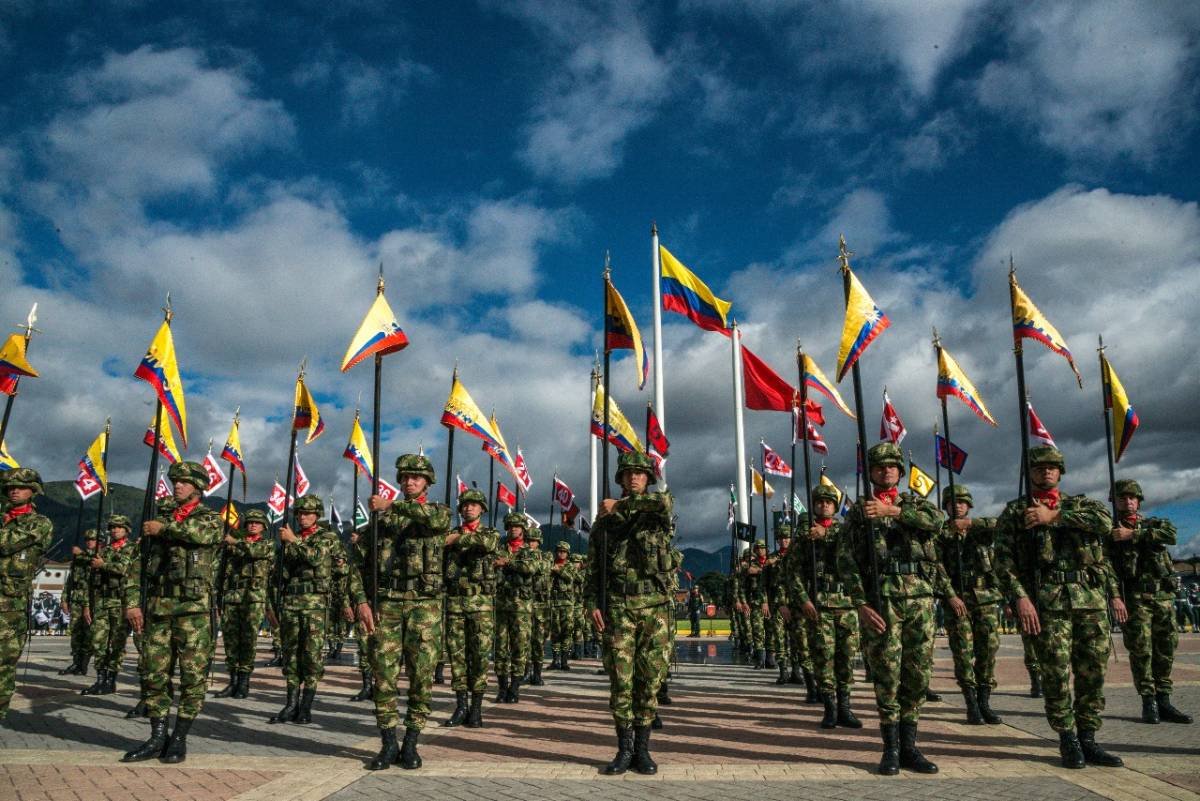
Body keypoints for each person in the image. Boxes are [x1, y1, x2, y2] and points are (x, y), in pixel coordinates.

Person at [994, 445, 1126, 769]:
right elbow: (1002, 563)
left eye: (1052, 467)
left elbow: (1103, 522)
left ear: (1060, 471)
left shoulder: (1082, 505)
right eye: (1039, 468)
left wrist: (1054, 516)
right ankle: (1067, 738)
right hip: (1049, 603)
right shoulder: (1015, 512)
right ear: (1030, 474)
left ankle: (1089, 737)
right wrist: (1020, 598)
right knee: (1054, 673)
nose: (1046, 472)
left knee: (1092, 672)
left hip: (1089, 601)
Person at [837, 442, 964, 776]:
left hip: (920, 600)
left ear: (900, 472)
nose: (887, 471)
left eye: (893, 466)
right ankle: (890, 748)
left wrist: (893, 512)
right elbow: (846, 562)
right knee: (887, 676)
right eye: (880, 467)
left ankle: (910, 747)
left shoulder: (916, 505)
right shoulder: (859, 513)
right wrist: (860, 603)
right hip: (883, 603)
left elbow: (937, 524)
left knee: (917, 675)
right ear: (872, 472)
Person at [122, 461, 223, 763]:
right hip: (158, 608)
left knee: (192, 676)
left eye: (184, 481)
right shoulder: (156, 520)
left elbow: (200, 535)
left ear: (198, 487)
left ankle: (179, 737)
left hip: (193, 612)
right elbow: (136, 565)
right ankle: (157, 736)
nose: (177, 485)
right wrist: (131, 602)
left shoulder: (209, 519)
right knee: (153, 673)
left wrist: (163, 528)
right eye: (174, 480)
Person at [587, 450, 674, 776]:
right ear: (621, 479)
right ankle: (624, 750)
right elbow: (593, 567)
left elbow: (664, 503)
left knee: (649, 683)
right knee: (621, 683)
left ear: (648, 479)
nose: (634, 477)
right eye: (628, 473)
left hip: (655, 608)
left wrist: (620, 505)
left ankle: (643, 750)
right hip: (620, 606)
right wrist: (592, 603)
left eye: (640, 473)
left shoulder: (656, 509)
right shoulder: (605, 521)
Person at [364, 453, 445, 771]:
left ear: (427, 482)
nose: (409, 481)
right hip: (388, 601)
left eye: (416, 477)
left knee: (421, 677)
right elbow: (365, 561)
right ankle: (388, 744)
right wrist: (360, 601)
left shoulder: (437, 512)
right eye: (405, 477)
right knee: (383, 676)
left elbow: (433, 521)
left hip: (424, 604)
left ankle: (411, 743)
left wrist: (389, 505)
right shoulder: (381, 518)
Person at [1110, 478, 1191, 725]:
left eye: (1132, 497)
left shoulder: (1155, 524)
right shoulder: (1111, 532)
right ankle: (1149, 702)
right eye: (1122, 498)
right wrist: (1115, 597)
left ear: (1139, 500)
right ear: (1116, 502)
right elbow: (1108, 569)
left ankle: (1164, 699)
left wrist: (1132, 534)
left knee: (1165, 648)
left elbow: (1171, 535)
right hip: (1135, 599)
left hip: (1162, 597)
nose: (1128, 501)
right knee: (1141, 651)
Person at [782, 484, 862, 729]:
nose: (824, 505)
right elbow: (792, 572)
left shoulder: (845, 530)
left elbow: (854, 549)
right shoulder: (804, 538)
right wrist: (804, 599)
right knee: (823, 657)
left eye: (829, 502)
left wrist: (824, 535)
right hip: (819, 605)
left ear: (835, 507)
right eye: (819, 502)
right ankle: (829, 707)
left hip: (846, 604)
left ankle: (845, 708)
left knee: (846, 657)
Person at [938, 485, 1003, 725]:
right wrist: (950, 595)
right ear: (945, 507)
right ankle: (971, 703)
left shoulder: (980, 530)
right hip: (957, 597)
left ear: (969, 506)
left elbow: (1002, 524)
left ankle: (985, 700)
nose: (957, 505)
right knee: (963, 653)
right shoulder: (941, 533)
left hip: (984, 596)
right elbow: (936, 566)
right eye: (952, 502)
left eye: (962, 502)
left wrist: (970, 525)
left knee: (988, 649)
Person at [441, 488, 499, 728]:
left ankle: (476, 708)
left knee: (479, 656)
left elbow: (486, 543)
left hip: (481, 605)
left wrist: (457, 539)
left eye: (474, 505)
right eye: (465, 505)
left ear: (482, 510)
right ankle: (461, 705)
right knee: (456, 656)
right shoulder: (450, 533)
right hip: (455, 602)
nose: (468, 508)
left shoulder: (490, 533)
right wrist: (453, 538)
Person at [0, 468, 54, 723]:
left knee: (2, 664)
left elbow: (5, 543)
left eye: (20, 487)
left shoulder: (39, 524)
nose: (14, 490)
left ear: (33, 491)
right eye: (11, 487)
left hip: (9, 606)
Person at [214, 508, 274, 700]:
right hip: (232, 596)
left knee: (248, 640)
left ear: (264, 526)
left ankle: (244, 682)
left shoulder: (267, 544)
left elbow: (255, 552)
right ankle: (232, 681)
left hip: (253, 597)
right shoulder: (233, 546)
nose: (252, 525)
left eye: (257, 522)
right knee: (231, 641)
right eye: (249, 522)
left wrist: (235, 542)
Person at [81, 515, 135, 696]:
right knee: (98, 641)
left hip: (121, 602)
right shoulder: (103, 550)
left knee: (116, 644)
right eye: (112, 527)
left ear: (127, 530)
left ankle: (111, 680)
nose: (115, 530)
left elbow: (125, 569)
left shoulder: (131, 549)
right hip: (102, 601)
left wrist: (103, 565)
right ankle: (100, 679)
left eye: (119, 527)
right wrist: (87, 605)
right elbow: (91, 580)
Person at [493, 513, 537, 703]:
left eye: (517, 526)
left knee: (519, 647)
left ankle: (515, 687)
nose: (513, 529)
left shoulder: (530, 551)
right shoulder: (499, 549)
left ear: (523, 529)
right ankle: (502, 688)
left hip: (522, 606)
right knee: (500, 648)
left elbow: (531, 568)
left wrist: (508, 563)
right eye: (510, 526)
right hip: (502, 604)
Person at [60, 533, 96, 676]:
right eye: (87, 539)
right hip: (76, 598)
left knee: (88, 633)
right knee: (75, 632)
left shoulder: (99, 555)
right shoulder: (78, 558)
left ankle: (83, 664)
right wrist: (64, 598)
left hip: (91, 599)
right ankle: (76, 662)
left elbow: (94, 562)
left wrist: (81, 554)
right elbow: (70, 580)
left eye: (92, 539)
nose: (89, 542)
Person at [548, 541, 580, 671]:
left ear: (567, 554)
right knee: (555, 632)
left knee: (567, 632)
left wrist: (559, 570)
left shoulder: (570, 566)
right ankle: (555, 660)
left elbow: (571, 578)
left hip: (567, 604)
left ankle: (564, 661)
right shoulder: (551, 564)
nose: (561, 553)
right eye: (559, 551)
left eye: (564, 552)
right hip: (554, 603)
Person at [526, 525, 552, 686]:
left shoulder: (546, 556)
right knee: (526, 640)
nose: (531, 544)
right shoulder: (522, 555)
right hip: (526, 603)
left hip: (542, 605)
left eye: (534, 541)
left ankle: (537, 673)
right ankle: (526, 672)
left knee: (539, 640)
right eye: (529, 541)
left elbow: (543, 568)